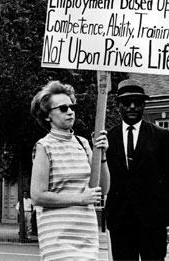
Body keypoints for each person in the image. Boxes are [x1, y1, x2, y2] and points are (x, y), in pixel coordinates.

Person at [30, 80, 109, 261]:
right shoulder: (44, 146)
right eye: (63, 108)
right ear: (48, 115)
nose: (70, 111)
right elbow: (37, 196)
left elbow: (102, 190)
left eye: (72, 106)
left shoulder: (83, 144)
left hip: (86, 235)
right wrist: (81, 198)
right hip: (58, 237)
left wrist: (103, 156)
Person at [105, 79, 169, 260]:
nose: (132, 107)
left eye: (138, 102)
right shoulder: (108, 138)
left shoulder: (162, 137)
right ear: (118, 105)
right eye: (126, 102)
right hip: (120, 221)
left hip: (153, 221)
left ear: (143, 105)